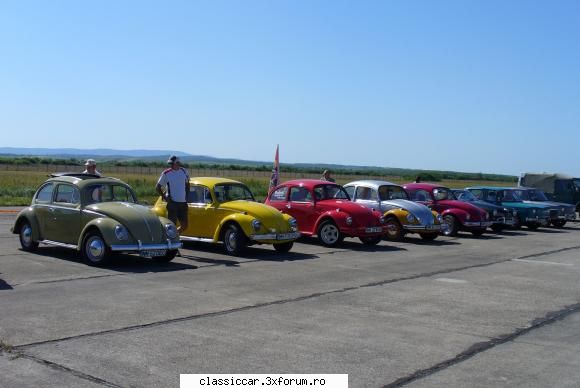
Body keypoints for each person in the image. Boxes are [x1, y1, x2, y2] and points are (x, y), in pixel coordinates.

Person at [156, 155, 190, 233]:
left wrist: (186, 196)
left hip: (183, 203)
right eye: (170, 163)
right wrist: (165, 197)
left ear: (178, 163)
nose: (171, 165)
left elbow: (188, 184)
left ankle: (173, 237)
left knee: (185, 225)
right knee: (171, 226)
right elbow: (158, 187)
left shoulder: (184, 171)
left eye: (172, 163)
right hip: (172, 203)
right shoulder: (166, 173)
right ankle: (171, 240)